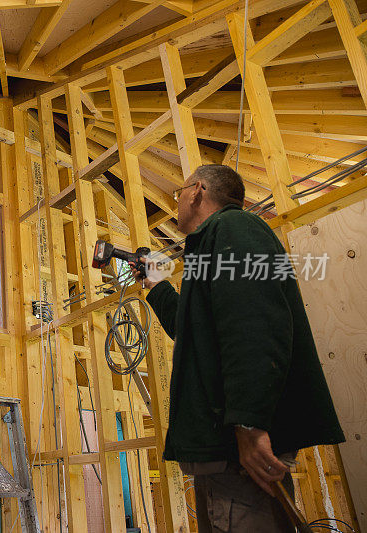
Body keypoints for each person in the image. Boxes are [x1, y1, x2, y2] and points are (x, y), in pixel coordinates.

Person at [132, 164, 344, 532]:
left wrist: (249, 422)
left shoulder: (235, 227)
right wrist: (157, 285)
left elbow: (256, 323)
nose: (177, 201)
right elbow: (194, 330)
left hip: (237, 452)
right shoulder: (216, 243)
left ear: (197, 190)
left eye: (179, 192)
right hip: (225, 456)